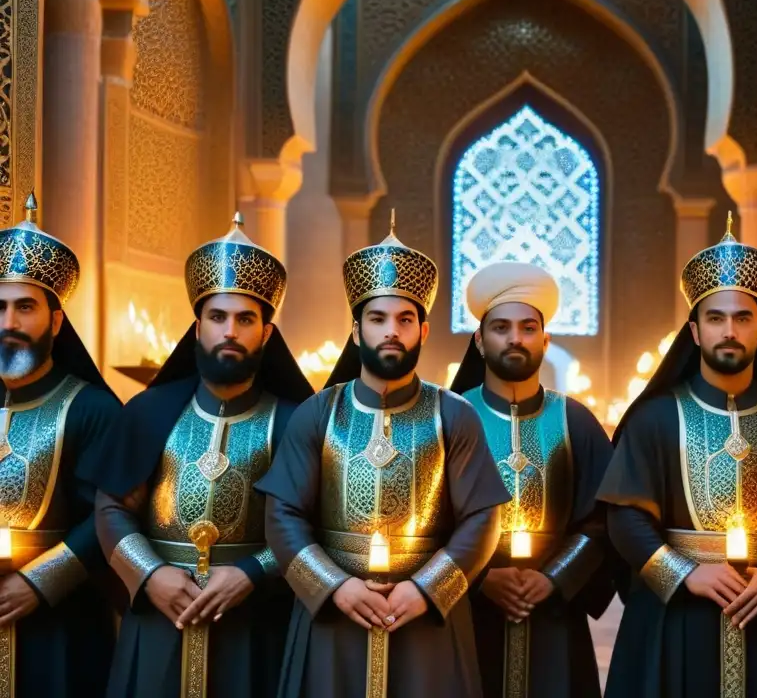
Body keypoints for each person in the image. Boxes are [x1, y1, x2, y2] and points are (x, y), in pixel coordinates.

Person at [256, 214, 511, 698]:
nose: (391, 331)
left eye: (404, 319)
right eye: (377, 319)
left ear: (423, 330)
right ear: (356, 331)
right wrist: (334, 586)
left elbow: (483, 518)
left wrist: (426, 589)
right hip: (333, 618)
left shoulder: (453, 415)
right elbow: (283, 515)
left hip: (427, 620)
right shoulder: (317, 413)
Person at [83, 214, 314, 698]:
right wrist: (152, 575)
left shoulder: (297, 421)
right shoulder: (149, 412)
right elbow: (112, 509)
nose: (230, 330)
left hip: (253, 624)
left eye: (246, 319)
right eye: (217, 317)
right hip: (160, 618)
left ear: (267, 334)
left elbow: (309, 526)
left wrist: (252, 573)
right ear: (197, 328)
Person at [597, 214, 757, 698]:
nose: (728, 330)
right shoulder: (653, 418)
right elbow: (625, 520)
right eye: (715, 318)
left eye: (742, 318)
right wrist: (687, 573)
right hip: (675, 616)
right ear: (694, 332)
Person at [448, 261, 615, 698]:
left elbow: (603, 519)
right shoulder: (449, 418)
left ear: (546, 339)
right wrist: (483, 577)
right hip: (468, 611)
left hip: (553, 617)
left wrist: (553, 578)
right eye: (501, 327)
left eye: (527, 327)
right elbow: (431, 521)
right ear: (480, 341)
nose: (515, 338)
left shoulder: (574, 421)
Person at [0, 194, 122, 697]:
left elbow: (111, 516)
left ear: (54, 321)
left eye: (25, 307)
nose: (9, 322)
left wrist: (37, 582)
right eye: (0, 307)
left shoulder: (94, 410)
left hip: (63, 619)